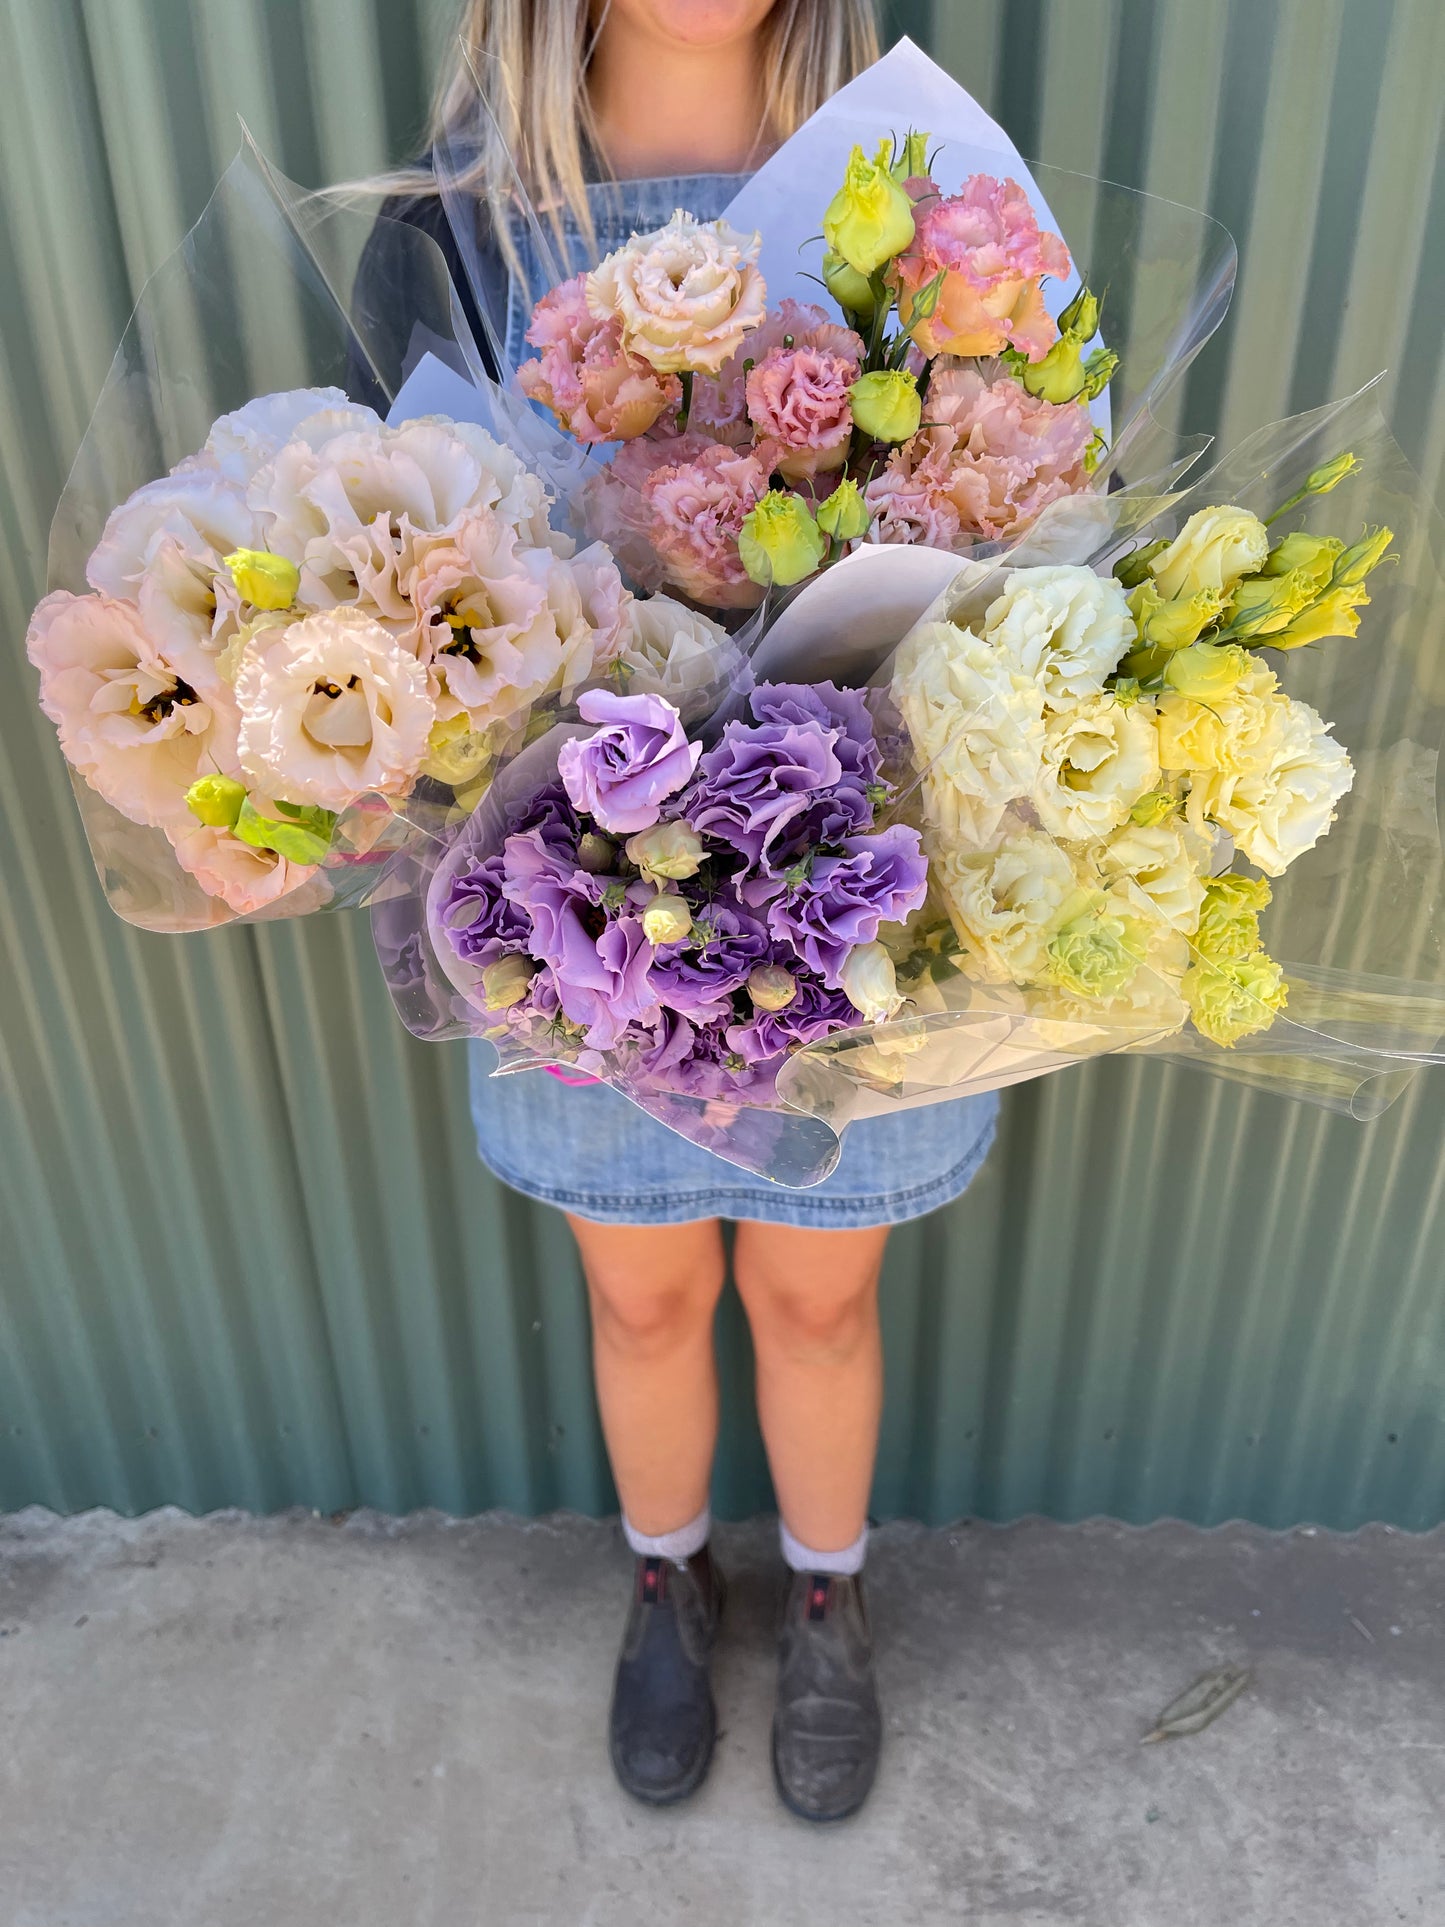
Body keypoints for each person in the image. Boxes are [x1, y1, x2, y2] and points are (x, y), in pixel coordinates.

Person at [364, 0, 998, 1823]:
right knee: (641, 1304)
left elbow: (1027, 525)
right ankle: (664, 1573)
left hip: (844, 889)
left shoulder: (930, 204)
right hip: (574, 895)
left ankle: (826, 1596)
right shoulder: (447, 234)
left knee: (815, 1305)